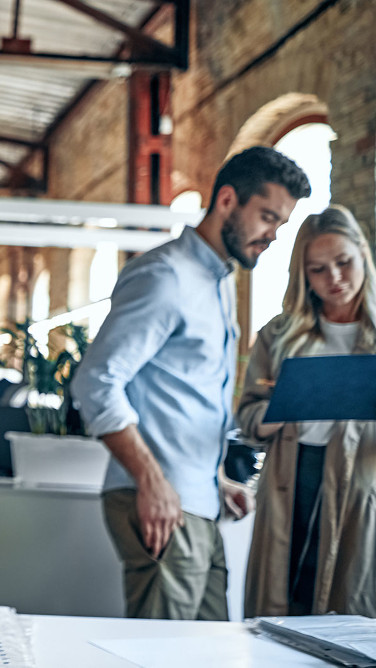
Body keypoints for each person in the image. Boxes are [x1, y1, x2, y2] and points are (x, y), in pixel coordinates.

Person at [71, 146, 311, 620]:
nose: (272, 236)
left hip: (196, 500)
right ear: (227, 200)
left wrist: (214, 480)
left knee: (207, 649)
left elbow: (181, 396)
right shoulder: (165, 276)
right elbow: (96, 382)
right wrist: (153, 480)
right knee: (166, 656)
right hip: (164, 499)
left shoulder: (217, 280)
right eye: (266, 217)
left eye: (280, 225)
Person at [237, 205, 376, 617]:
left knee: (348, 606)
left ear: (363, 256)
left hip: (360, 484)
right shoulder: (277, 335)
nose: (334, 279)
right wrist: (285, 405)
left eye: (343, 263)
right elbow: (246, 420)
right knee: (283, 605)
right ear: (303, 275)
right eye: (318, 269)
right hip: (291, 478)